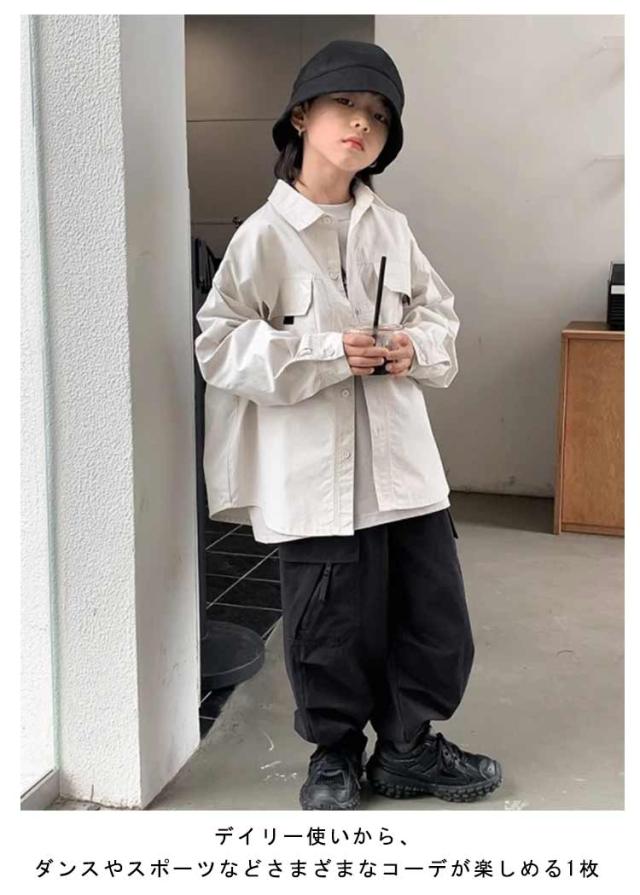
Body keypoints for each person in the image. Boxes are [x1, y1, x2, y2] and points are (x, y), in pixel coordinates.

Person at [194, 39, 502, 810]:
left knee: (432, 613)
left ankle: (407, 748)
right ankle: (334, 753)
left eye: (379, 115)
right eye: (347, 105)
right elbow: (219, 344)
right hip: (312, 471)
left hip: (402, 465)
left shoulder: (392, 228)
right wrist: (327, 352)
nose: (362, 124)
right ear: (302, 115)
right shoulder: (264, 235)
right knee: (325, 623)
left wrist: (411, 346)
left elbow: (440, 317)